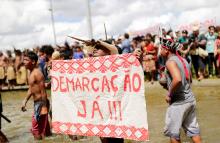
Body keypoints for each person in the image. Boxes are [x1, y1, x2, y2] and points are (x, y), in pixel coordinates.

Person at [159, 38, 201, 143]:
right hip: (190, 100)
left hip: (179, 103)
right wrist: (167, 84)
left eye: (161, 49)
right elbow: (188, 80)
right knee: (194, 132)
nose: (160, 51)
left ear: (166, 50)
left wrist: (169, 94)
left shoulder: (170, 62)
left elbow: (177, 79)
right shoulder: (183, 60)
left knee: (173, 135)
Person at [21, 51, 51, 140]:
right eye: (24, 60)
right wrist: (25, 100)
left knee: (36, 130)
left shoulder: (37, 73)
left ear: (33, 62)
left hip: (41, 103)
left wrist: (44, 107)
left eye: (26, 60)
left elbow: (43, 92)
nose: (24, 62)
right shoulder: (31, 73)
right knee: (45, 130)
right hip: (37, 103)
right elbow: (31, 88)